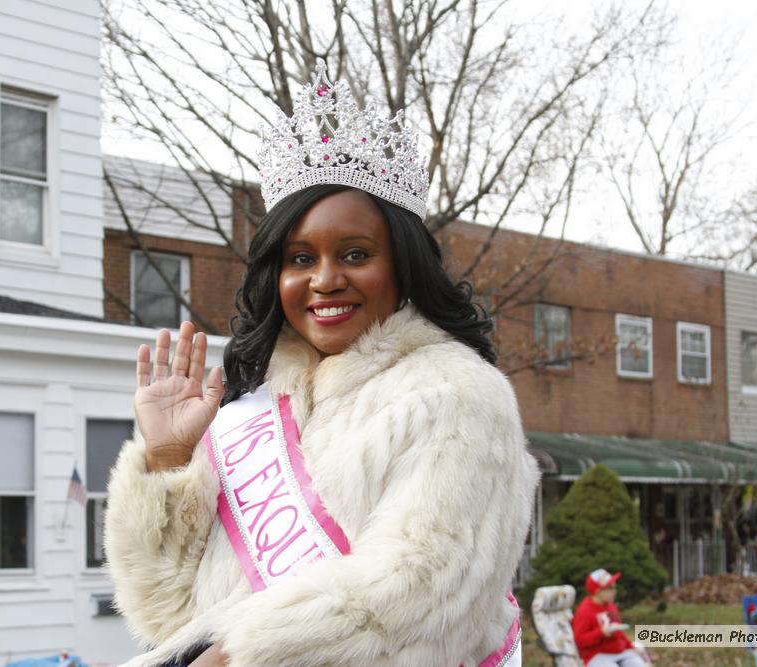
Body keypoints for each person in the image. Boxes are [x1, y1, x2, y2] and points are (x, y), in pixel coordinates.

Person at [103, 60, 541, 667]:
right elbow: (171, 615)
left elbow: (424, 597)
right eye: (300, 258)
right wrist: (170, 458)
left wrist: (243, 656)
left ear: (402, 264)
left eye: (355, 254)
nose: (325, 280)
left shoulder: (459, 395)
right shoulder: (248, 411)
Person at [572, 569, 649, 667]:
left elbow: (619, 631)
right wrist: (601, 633)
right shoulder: (584, 610)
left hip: (619, 652)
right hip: (597, 656)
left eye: (614, 586)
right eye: (610, 588)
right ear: (597, 591)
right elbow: (579, 641)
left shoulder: (611, 606)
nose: (614, 591)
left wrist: (630, 646)